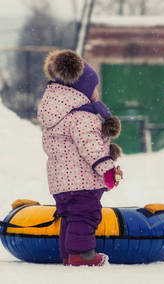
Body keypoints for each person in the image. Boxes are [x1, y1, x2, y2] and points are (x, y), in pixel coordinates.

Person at [37, 49, 124, 266]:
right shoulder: (81, 116)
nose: (96, 91)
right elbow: (91, 147)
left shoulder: (58, 117)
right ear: (82, 89)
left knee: (70, 218)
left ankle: (68, 255)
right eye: (94, 87)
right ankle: (82, 255)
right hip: (81, 181)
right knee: (86, 215)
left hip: (61, 184)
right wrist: (107, 168)